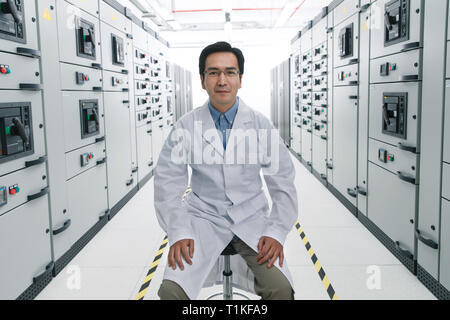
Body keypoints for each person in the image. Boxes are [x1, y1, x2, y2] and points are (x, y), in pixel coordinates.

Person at [154, 41, 298, 300]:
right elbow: (167, 183)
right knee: (171, 292)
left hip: (251, 218)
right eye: (213, 72)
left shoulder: (260, 124)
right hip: (202, 219)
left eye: (230, 72)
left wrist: (276, 231)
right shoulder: (186, 126)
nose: (222, 80)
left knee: (280, 289)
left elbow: (283, 182)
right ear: (202, 80)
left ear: (240, 79)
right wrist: (179, 231)